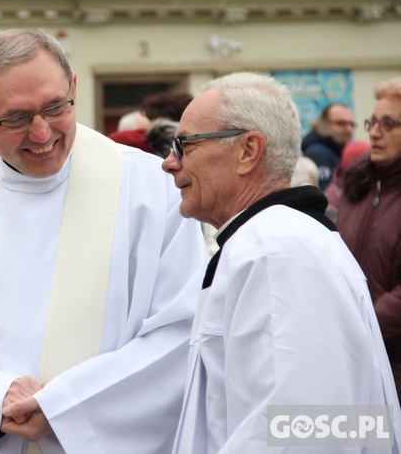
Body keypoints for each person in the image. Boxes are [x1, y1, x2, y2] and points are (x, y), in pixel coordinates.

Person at [0, 28, 208, 453]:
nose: (41, 132)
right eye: (16, 118)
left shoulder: (149, 190)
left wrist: (67, 405)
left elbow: (183, 328)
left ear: (73, 89)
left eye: (55, 107)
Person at [161, 71, 401, 452]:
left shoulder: (278, 253)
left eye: (184, 145)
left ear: (248, 151)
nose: (169, 163)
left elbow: (308, 434)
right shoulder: (275, 242)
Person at [337, 77, 401, 400]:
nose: (374, 132)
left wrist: (361, 324)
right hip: (351, 362)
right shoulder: (356, 185)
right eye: (373, 121)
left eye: (389, 124)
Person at [301, 102, 356, 190]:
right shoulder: (319, 154)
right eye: (341, 123)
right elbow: (327, 195)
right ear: (324, 124)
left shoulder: (335, 151)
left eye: (351, 125)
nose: (348, 129)